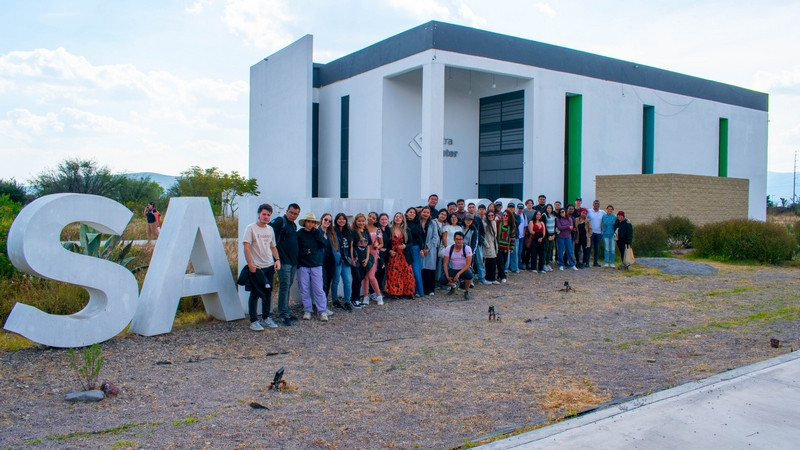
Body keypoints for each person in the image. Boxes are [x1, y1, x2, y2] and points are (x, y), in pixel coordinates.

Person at [241, 203, 281, 331]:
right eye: (264, 214)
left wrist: (277, 259)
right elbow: (246, 247)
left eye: (268, 215)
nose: (266, 217)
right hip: (257, 268)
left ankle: (266, 317)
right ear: (259, 214)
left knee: (268, 292)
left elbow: (273, 246)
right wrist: (250, 264)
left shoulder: (270, 229)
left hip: (269, 266)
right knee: (255, 294)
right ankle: (253, 320)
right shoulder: (250, 228)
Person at [270, 203, 301, 326]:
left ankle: (286, 311)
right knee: (284, 286)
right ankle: (283, 315)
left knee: (288, 286)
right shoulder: (279, 221)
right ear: (287, 211)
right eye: (291, 212)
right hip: (282, 261)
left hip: (293, 261)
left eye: (295, 214)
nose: (292, 215)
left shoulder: (293, 225)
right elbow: (268, 230)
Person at [296, 212, 329, 321]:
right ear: (305, 222)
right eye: (309, 222)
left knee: (318, 289)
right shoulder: (299, 233)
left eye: (312, 222)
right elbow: (296, 248)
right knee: (304, 289)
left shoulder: (316, 233)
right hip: (303, 264)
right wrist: (305, 251)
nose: (310, 224)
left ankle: (322, 310)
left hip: (316, 264)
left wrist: (316, 232)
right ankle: (307, 310)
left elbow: (323, 243)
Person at [385, 212, 415, 298]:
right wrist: (389, 250)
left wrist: (405, 246)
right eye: (396, 217)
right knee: (394, 273)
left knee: (407, 273)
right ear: (394, 219)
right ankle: (395, 292)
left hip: (404, 255)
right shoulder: (389, 230)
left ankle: (408, 292)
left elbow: (411, 242)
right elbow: (386, 243)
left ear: (402, 220)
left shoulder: (407, 230)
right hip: (393, 255)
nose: (398, 218)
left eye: (400, 217)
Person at [330, 213, 356, 311]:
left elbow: (352, 246)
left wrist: (354, 256)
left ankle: (347, 301)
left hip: (346, 260)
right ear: (336, 220)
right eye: (339, 219)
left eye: (343, 219)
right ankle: (335, 300)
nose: (342, 221)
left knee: (348, 281)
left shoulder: (348, 231)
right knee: (336, 281)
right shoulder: (333, 231)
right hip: (337, 260)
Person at [443, 231, 474, 300]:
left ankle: (466, 291)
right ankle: (454, 286)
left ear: (463, 240)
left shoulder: (467, 248)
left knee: (469, 274)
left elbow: (468, 264)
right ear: (454, 239)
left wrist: (458, 274)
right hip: (453, 268)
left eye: (460, 239)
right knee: (442, 279)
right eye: (457, 239)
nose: (458, 241)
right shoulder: (449, 248)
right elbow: (445, 263)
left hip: (464, 269)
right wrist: (447, 276)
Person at [362, 212, 384, 305]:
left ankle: (379, 296)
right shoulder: (363, 227)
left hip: (373, 254)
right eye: (370, 216)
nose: (371, 218)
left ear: (376, 220)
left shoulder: (378, 230)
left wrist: (377, 246)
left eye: (373, 218)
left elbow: (381, 243)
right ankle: (366, 296)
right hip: (363, 254)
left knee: (371, 276)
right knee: (365, 277)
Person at [405, 207, 426, 298]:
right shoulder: (403, 223)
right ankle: (408, 291)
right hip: (405, 248)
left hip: (415, 248)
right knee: (406, 270)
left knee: (416, 270)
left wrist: (422, 249)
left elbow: (421, 237)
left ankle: (418, 290)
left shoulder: (418, 224)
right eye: (410, 212)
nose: (412, 214)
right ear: (406, 213)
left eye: (414, 213)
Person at [419, 206, 439, 295]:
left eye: (427, 212)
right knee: (421, 268)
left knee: (429, 269)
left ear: (430, 214)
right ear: (421, 212)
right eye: (424, 212)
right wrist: (421, 248)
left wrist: (428, 248)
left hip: (430, 249)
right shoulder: (417, 222)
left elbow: (435, 237)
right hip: (419, 249)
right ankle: (422, 289)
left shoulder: (433, 223)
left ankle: (430, 289)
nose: (425, 214)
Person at [319, 213, 337, 308]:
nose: (327, 222)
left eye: (329, 221)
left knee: (328, 282)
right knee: (323, 284)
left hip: (330, 262)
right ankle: (321, 306)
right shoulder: (317, 232)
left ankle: (324, 304)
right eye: (326, 219)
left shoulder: (331, 234)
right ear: (322, 219)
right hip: (320, 262)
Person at [496, 209, 516, 283]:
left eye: (506, 215)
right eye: (504, 215)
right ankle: (503, 276)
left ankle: (500, 275)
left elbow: (513, 237)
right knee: (500, 262)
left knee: (504, 262)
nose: (505, 217)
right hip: (498, 246)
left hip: (506, 247)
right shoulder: (498, 223)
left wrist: (512, 247)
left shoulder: (511, 226)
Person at [376, 213, 392, 292]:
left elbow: (389, 243)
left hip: (386, 254)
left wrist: (388, 249)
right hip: (379, 254)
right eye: (382, 219)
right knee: (379, 272)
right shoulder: (377, 230)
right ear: (379, 220)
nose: (384, 221)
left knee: (384, 273)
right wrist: (379, 248)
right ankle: (377, 290)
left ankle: (382, 289)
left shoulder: (388, 230)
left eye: (385, 219)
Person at [482, 210, 499, 284]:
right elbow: (483, 235)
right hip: (488, 244)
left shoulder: (494, 223)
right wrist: (486, 244)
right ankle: (489, 278)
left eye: (492, 215)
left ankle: (492, 278)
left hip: (493, 243)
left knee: (493, 261)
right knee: (489, 261)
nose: (491, 217)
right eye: (489, 215)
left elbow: (495, 234)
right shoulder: (485, 224)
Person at [587, 200, 605, 267]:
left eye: (597, 204)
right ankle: (587, 262)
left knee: (597, 248)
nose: (596, 205)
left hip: (599, 233)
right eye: (595, 204)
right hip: (591, 232)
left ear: (599, 205)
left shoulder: (602, 212)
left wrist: (626, 219)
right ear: (593, 204)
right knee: (589, 247)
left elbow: (609, 216)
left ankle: (595, 262)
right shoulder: (589, 211)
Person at [543, 204, 556, 272]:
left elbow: (554, 225)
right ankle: (543, 264)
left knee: (550, 250)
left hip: (552, 234)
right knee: (546, 249)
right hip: (547, 235)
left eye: (550, 208)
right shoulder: (544, 215)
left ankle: (547, 263)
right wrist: (548, 235)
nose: (549, 209)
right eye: (548, 208)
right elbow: (544, 226)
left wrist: (554, 234)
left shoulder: (553, 216)